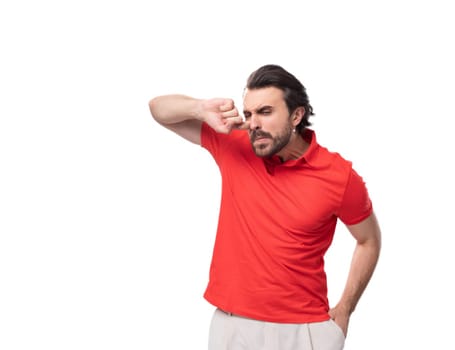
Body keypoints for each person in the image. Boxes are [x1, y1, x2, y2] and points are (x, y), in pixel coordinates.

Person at [149, 64, 381, 350]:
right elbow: (158, 108)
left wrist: (345, 308)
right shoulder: (233, 144)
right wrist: (200, 108)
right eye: (249, 114)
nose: (253, 123)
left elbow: (368, 239)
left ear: (297, 115)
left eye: (265, 112)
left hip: (303, 330)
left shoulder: (339, 176)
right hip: (231, 327)